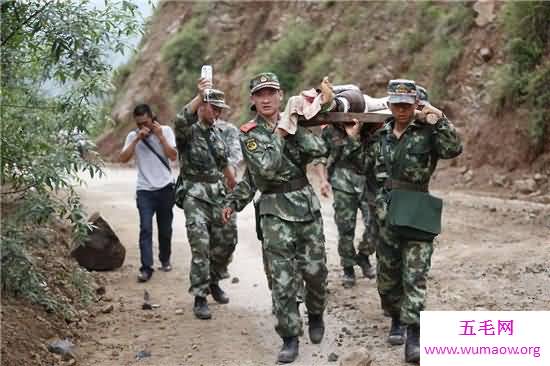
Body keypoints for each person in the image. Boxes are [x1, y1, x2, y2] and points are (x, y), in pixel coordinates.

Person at [342, 79, 462, 364]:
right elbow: (360, 165)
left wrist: (439, 118)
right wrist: (353, 137)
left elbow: (453, 149)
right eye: (396, 104)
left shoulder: (427, 132)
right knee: (388, 278)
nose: (402, 109)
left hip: (418, 207)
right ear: (390, 104)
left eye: (407, 104)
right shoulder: (381, 134)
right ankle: (395, 317)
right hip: (386, 213)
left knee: (415, 276)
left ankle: (414, 335)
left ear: (415, 104)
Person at [222, 72, 328, 364]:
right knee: (282, 279)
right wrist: (234, 201)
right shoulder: (250, 133)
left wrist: (297, 126)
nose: (266, 99)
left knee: (315, 272)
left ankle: (316, 313)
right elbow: (262, 172)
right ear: (253, 101)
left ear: (281, 95)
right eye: (260, 94)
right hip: (273, 212)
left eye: (271, 93)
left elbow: (319, 150)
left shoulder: (296, 122)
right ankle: (289, 337)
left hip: (306, 208)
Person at [174, 79, 237, 320]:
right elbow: (180, 120)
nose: (218, 113)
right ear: (202, 107)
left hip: (218, 194)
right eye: (214, 107)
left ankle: (214, 280)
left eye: (221, 109)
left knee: (227, 240)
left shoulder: (218, 133)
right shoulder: (188, 133)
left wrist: (234, 186)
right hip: (195, 195)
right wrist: (200, 95)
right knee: (201, 246)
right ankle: (200, 296)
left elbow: (223, 163)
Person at [119, 103, 178, 282]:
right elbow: (122, 158)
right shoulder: (132, 136)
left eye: (145, 122)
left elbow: (173, 155)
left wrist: (160, 137)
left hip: (165, 188)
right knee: (145, 228)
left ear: (152, 117)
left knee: (165, 229)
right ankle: (146, 268)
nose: (142, 127)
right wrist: (137, 138)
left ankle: (165, 258)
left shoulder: (165, 131)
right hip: (144, 189)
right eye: (138, 124)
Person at [315, 122, 376, 288]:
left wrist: (355, 135)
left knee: (375, 223)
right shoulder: (330, 130)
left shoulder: (371, 127)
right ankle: (348, 267)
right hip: (342, 181)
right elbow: (320, 155)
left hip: (368, 181)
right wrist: (323, 179)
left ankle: (364, 254)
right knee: (345, 227)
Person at [214, 118, 244, 279]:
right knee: (202, 239)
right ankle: (205, 286)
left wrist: (229, 174)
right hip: (200, 193)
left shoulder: (229, 129)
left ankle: (220, 266)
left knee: (229, 237)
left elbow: (236, 155)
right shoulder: (193, 129)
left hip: (226, 188)